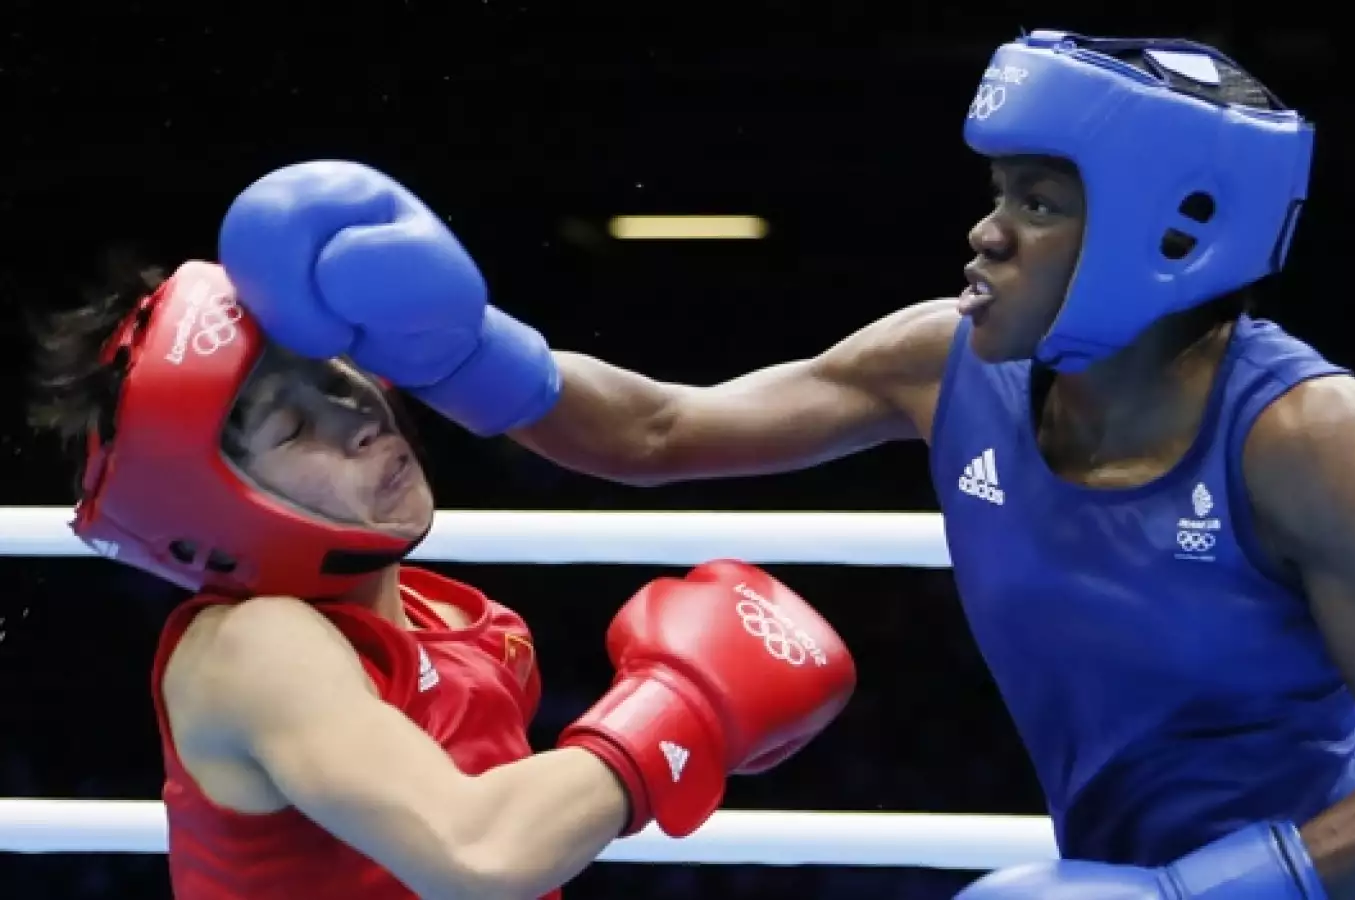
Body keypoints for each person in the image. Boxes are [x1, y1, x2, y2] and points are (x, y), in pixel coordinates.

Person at [211, 28, 1355, 900]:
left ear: (1162, 228)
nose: (985, 233)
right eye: (997, 192)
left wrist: (1194, 899)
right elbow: (659, 433)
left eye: (1036, 201)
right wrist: (454, 344)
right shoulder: (940, 360)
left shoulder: (1304, 436)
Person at [25, 259, 857, 899]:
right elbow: (478, 853)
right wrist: (684, 709)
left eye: (332, 377)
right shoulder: (250, 648)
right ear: (221, 509)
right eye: (293, 428)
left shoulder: (462, 619)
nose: (353, 422)